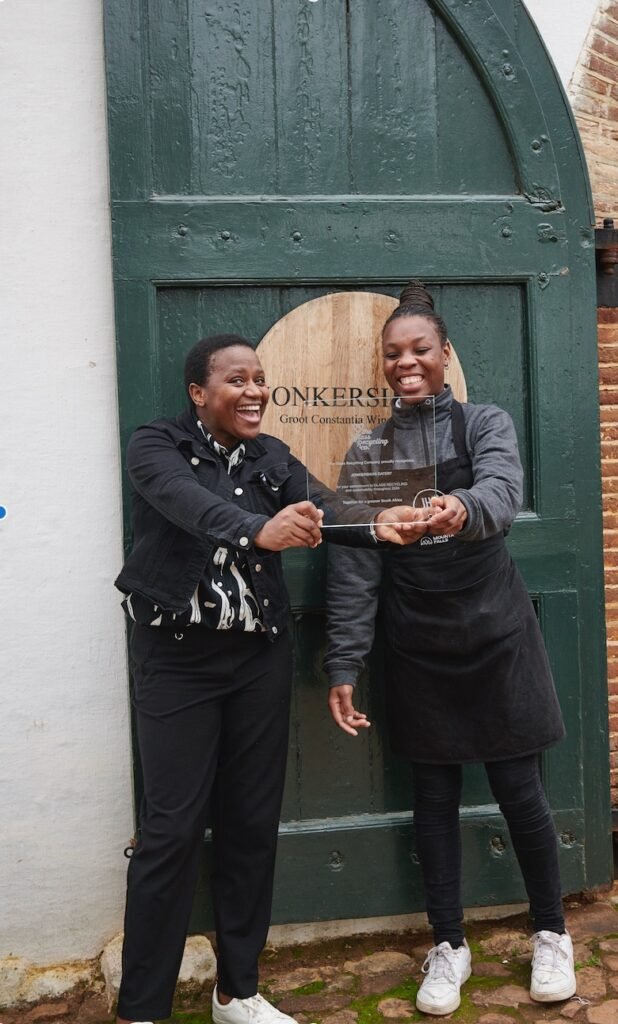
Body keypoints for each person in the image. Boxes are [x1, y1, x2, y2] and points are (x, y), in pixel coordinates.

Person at [113, 333, 420, 1024]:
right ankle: (141, 1009)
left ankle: (237, 992)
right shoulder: (156, 445)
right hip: (178, 659)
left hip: (258, 658)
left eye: (259, 379)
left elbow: (325, 507)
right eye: (237, 380)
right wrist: (258, 529)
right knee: (171, 830)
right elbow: (189, 505)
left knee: (251, 824)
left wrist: (379, 522)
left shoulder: (270, 456)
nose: (254, 391)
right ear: (199, 392)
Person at [324, 283, 576, 1017]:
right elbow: (354, 567)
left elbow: (502, 491)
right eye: (393, 354)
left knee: (521, 791)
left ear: (445, 355)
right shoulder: (368, 451)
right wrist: (344, 662)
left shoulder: (485, 423)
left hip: (496, 632)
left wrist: (459, 507)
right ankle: (448, 944)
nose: (406, 363)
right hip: (417, 640)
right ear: (383, 364)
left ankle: (552, 932)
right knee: (431, 799)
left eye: (420, 350)